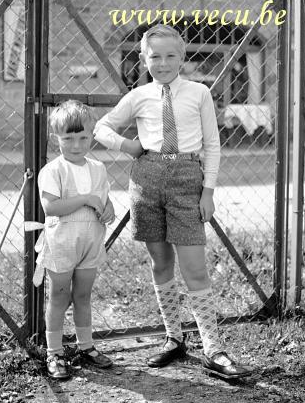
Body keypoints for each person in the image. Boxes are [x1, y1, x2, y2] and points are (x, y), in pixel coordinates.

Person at [94, 24, 252, 380]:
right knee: (159, 263)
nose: (162, 63)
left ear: (182, 58)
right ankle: (173, 337)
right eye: (155, 57)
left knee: (194, 266)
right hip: (147, 180)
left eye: (170, 56)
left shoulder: (198, 93)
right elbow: (101, 128)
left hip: (186, 180)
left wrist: (207, 191)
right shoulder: (138, 96)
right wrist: (127, 146)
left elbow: (212, 144)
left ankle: (213, 348)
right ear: (143, 59)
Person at [31, 100, 115, 380]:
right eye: (68, 138)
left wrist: (108, 209)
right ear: (57, 138)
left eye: (83, 137)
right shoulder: (53, 171)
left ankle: (86, 346)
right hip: (63, 242)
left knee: (82, 295)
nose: (77, 145)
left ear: (92, 135)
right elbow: (51, 208)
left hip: (90, 242)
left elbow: (104, 199)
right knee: (59, 295)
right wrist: (86, 199)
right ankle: (54, 352)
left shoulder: (98, 168)